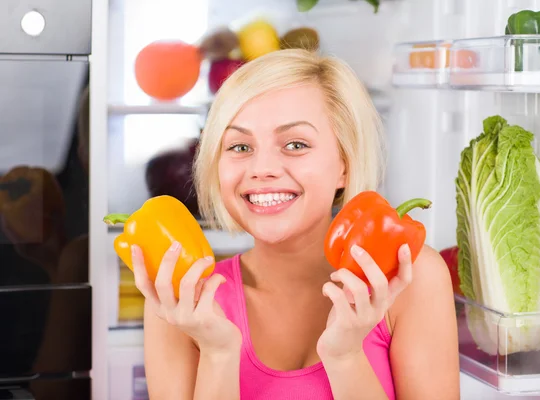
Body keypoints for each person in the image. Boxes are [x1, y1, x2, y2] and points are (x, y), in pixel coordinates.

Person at [131, 48, 460, 400]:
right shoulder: (178, 298)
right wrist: (218, 354)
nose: (262, 168)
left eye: (295, 144)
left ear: (344, 165)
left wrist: (346, 358)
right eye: (240, 147)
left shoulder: (410, 276)